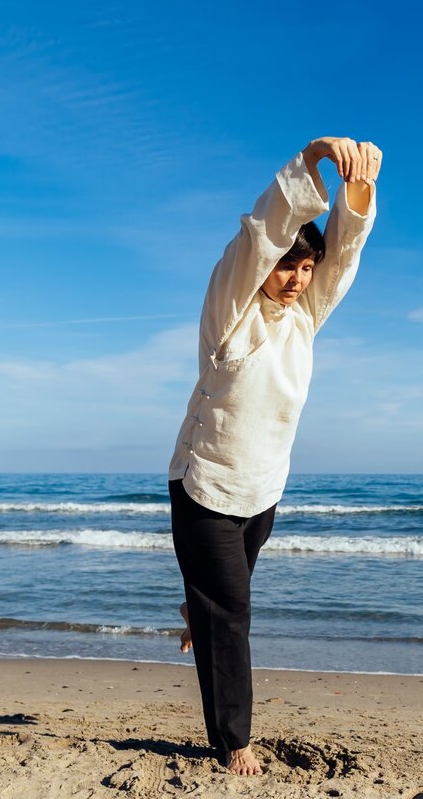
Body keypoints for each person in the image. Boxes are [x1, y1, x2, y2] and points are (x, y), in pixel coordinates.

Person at [167, 136, 381, 775]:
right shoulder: (230, 308)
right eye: (287, 266)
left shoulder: (303, 316)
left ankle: (192, 608)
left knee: (217, 605)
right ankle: (233, 739)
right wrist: (313, 158)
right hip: (204, 485)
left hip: (264, 490)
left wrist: (359, 186)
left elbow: (343, 255)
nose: (296, 278)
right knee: (231, 615)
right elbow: (261, 233)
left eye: (304, 268)